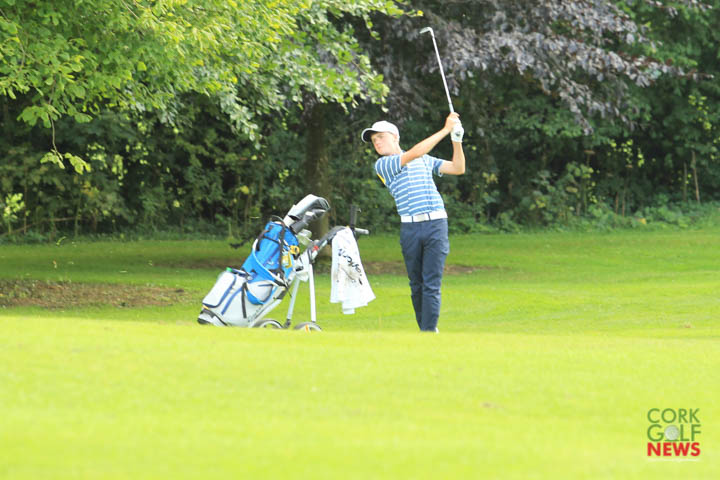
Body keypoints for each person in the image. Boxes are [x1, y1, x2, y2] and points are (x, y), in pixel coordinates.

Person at [361, 113, 465, 332]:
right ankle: (425, 331)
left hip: (436, 224)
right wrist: (445, 129)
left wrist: (456, 140)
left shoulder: (425, 160)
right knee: (416, 285)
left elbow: (458, 168)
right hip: (410, 228)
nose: (377, 142)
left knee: (431, 283)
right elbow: (415, 152)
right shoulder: (383, 165)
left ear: (395, 137)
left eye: (380, 137)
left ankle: (429, 332)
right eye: (374, 140)